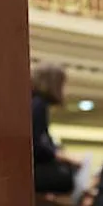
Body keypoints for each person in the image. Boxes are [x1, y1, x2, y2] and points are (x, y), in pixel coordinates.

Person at [31, 63, 77, 195]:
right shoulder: (39, 104)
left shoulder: (35, 103)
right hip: (35, 170)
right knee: (66, 178)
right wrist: (60, 157)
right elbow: (37, 145)